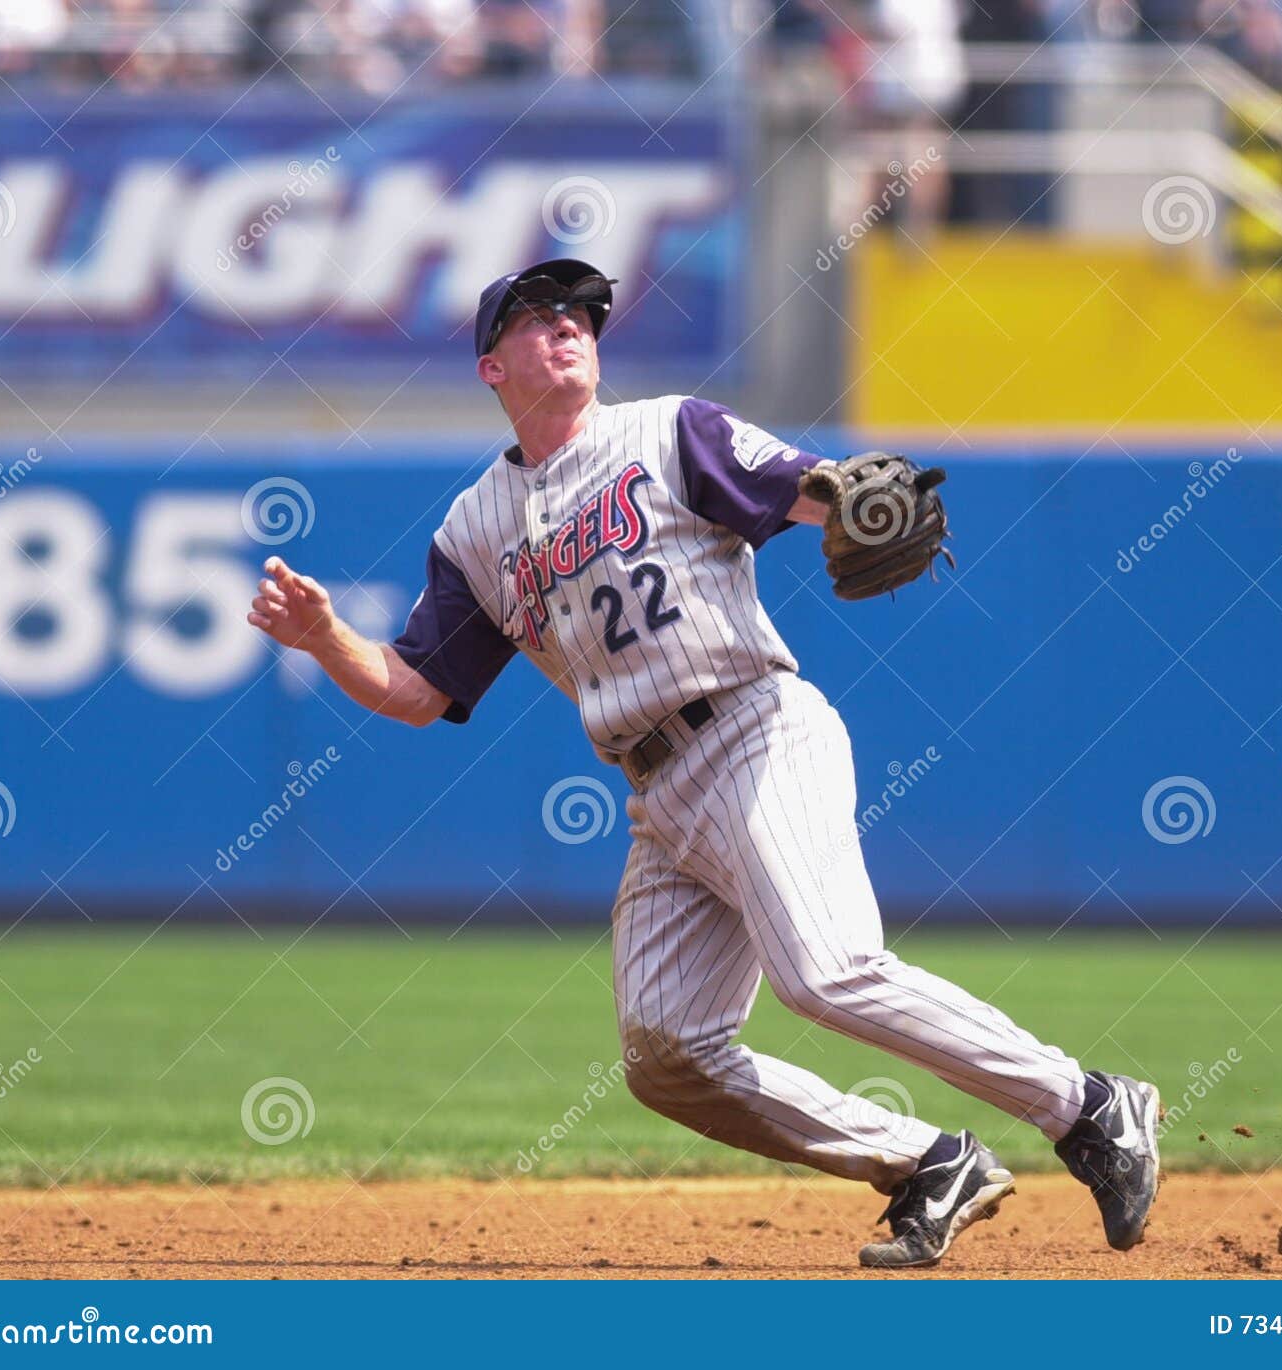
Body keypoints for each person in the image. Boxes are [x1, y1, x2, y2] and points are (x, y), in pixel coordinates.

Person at [247, 257, 1162, 1269]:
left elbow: (811, 489)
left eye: (579, 314)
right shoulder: (474, 530)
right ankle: (928, 1162)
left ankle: (1087, 1105)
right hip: (660, 794)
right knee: (665, 1051)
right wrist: (328, 635)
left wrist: (838, 496)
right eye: (536, 315)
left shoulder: (667, 430)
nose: (566, 325)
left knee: (826, 972)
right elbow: (416, 690)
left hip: (754, 730)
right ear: (490, 365)